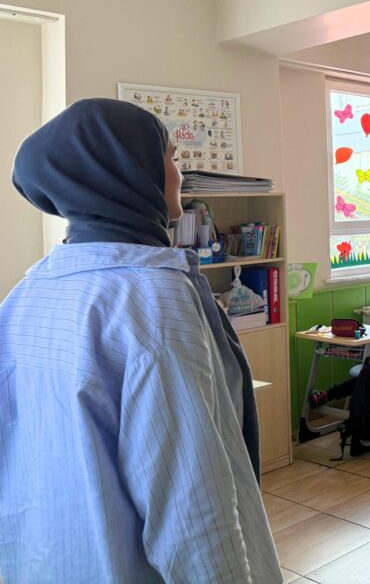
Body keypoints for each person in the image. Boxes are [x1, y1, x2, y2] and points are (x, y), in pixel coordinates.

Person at [0, 99, 280, 582]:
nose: (180, 174)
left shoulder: (26, 294)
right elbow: (192, 508)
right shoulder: (153, 296)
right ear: (126, 170)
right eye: (171, 157)